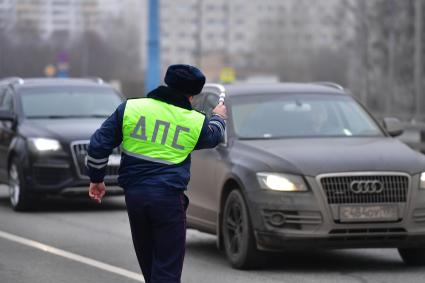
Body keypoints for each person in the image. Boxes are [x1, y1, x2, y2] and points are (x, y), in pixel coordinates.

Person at [86, 64, 227, 283]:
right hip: (168, 200)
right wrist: (218, 116)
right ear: (192, 95)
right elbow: (214, 136)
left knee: (150, 264)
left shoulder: (130, 108)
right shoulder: (194, 121)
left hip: (135, 198)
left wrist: (96, 178)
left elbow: (97, 145)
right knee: (167, 269)